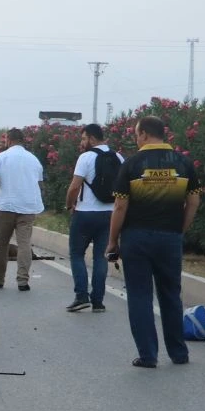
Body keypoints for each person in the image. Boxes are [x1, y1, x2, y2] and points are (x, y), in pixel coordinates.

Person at [106, 115, 200, 368]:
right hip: (170, 237)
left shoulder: (132, 164)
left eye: (137, 135)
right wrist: (179, 229)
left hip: (136, 238)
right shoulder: (184, 163)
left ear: (145, 134)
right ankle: (179, 353)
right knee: (171, 294)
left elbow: (120, 206)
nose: (136, 139)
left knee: (140, 295)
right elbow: (193, 202)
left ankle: (148, 355)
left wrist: (112, 241)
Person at [63, 124, 121, 312]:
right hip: (110, 215)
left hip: (85, 214)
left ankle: (81, 296)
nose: (82, 143)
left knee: (77, 254)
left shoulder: (86, 158)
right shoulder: (118, 157)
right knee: (101, 258)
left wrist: (69, 204)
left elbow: (74, 186)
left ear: (92, 139)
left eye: (83, 139)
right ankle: (98, 301)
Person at [0, 129, 45, 291]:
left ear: (8, 140)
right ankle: (23, 281)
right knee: (24, 244)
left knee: (2, 245)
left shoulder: (1, 157)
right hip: (27, 207)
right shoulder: (33, 159)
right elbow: (39, 183)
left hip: (6, 206)